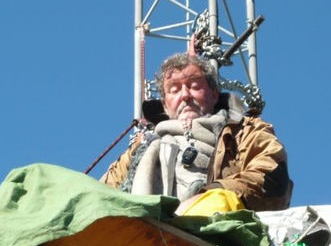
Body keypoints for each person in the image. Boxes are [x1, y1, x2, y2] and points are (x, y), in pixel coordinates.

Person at [101, 52, 292, 214]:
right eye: (174, 89)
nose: (185, 95)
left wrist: (208, 196)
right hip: (141, 235)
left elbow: (271, 177)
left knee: (219, 201)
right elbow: (101, 194)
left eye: (194, 85)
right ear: (164, 105)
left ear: (214, 94)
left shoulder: (243, 131)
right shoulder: (141, 148)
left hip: (210, 238)